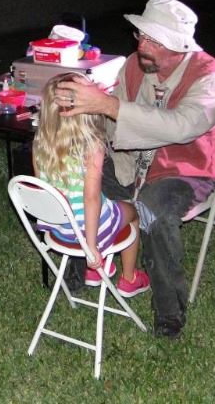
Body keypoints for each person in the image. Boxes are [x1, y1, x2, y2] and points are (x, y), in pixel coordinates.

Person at [55, 0, 215, 339]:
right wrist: (84, 117)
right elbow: (113, 120)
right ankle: (80, 269)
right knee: (76, 175)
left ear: (180, 46)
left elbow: (182, 127)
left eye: (154, 40)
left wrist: (109, 105)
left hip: (185, 169)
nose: (142, 45)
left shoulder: (212, 79)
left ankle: (169, 313)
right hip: (131, 161)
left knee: (153, 210)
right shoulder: (134, 65)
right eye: (141, 35)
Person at [34, 72, 149, 297]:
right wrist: (91, 246)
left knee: (106, 200)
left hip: (59, 228)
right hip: (87, 233)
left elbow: (43, 189)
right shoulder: (92, 146)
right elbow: (91, 198)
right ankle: (129, 278)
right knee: (132, 212)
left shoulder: (39, 143)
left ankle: (95, 272)